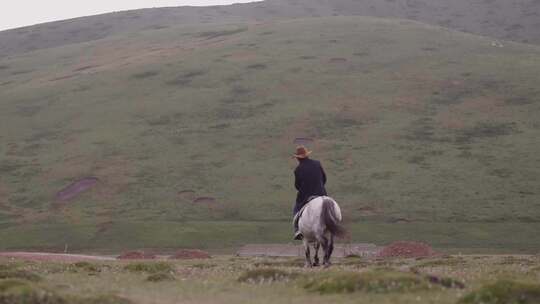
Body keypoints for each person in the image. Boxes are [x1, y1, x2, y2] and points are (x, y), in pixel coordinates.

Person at [292, 145, 328, 240]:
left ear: (298, 158)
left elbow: (297, 186)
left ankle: (297, 230)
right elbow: (324, 178)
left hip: (305, 196)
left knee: (296, 208)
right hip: (321, 193)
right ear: (307, 155)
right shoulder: (317, 163)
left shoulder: (298, 170)